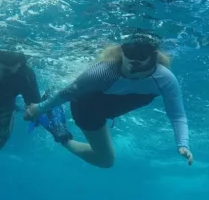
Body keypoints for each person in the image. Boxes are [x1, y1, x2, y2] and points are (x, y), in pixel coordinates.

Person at [24, 33, 193, 168]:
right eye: (128, 51)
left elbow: (177, 115)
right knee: (105, 161)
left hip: (109, 107)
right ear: (121, 51)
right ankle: (61, 135)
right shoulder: (102, 73)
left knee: (105, 162)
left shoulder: (165, 79)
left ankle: (58, 129)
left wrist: (183, 144)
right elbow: (68, 92)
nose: (133, 58)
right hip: (88, 109)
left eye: (141, 54)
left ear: (153, 57)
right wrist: (39, 109)